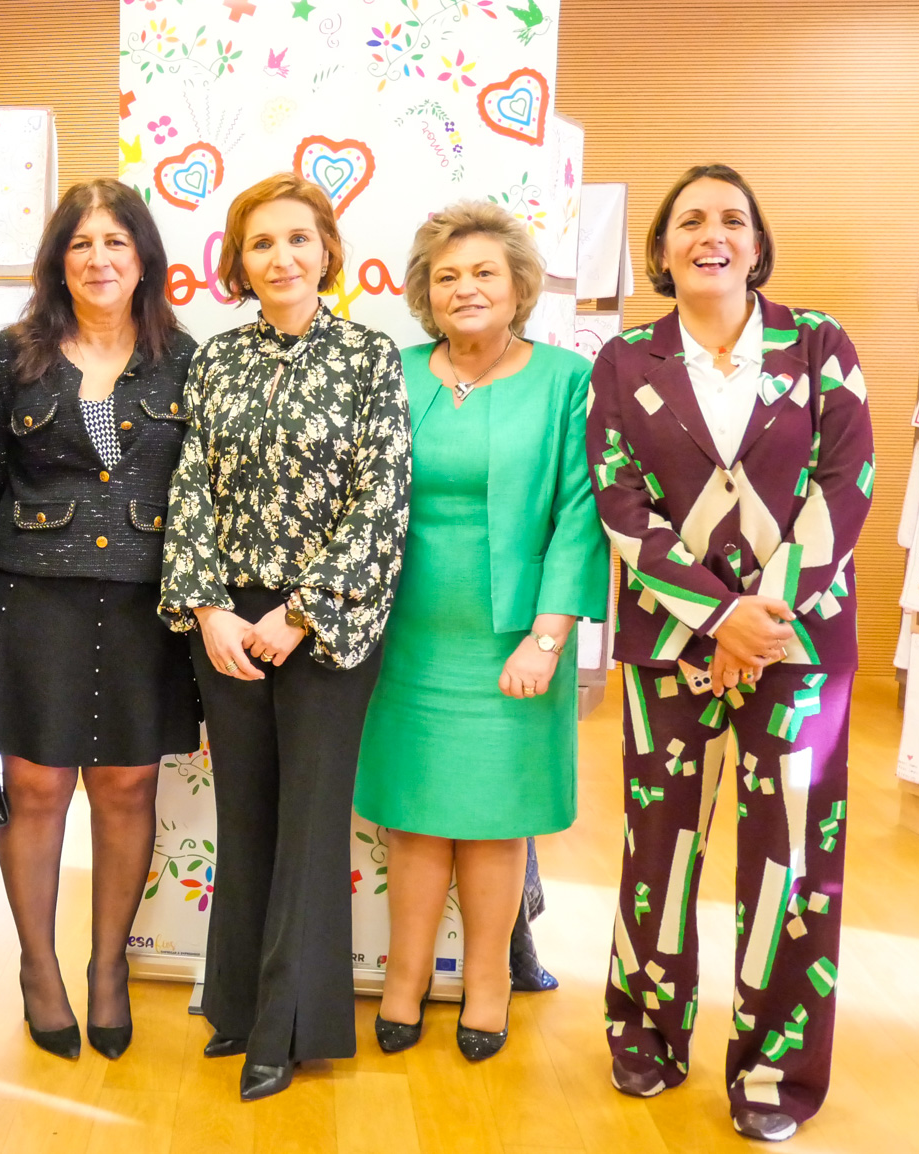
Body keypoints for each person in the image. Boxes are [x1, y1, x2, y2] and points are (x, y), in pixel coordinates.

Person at [586, 164, 872, 1144]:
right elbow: (619, 500)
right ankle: (646, 1030)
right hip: (669, 644)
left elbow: (846, 482)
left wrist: (763, 619)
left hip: (799, 645)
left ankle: (773, 1069)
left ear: (756, 245)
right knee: (657, 842)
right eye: (691, 220)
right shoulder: (624, 359)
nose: (712, 234)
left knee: (792, 860)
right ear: (662, 249)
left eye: (732, 220)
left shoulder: (819, 343)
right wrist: (717, 618)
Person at [159, 173, 410, 1102]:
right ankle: (234, 1005)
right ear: (239, 260)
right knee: (246, 814)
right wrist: (208, 609)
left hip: (326, 626)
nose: (282, 257)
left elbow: (383, 494)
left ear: (327, 250)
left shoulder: (370, 356)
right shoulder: (216, 360)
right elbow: (189, 485)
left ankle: (287, 1027)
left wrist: (301, 613)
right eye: (261, 243)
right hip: (226, 622)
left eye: (299, 239)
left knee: (309, 820)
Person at [354, 201, 607, 1063]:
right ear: (425, 292)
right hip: (406, 637)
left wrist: (548, 636)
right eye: (447, 276)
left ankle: (489, 980)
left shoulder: (567, 379)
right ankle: (404, 979)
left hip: (514, 644)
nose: (465, 288)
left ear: (519, 285)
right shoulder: (393, 372)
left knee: (495, 821)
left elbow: (580, 513)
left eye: (484, 272)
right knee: (416, 819)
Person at [0, 178, 201, 1062]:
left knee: (128, 787)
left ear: (144, 258)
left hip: (144, 602)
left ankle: (108, 969)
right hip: (31, 598)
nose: (99, 259)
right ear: (58, 260)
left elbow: (203, 493)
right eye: (81, 243)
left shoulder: (185, 358)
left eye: (116, 242)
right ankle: (38, 969)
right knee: (35, 787)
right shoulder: (8, 356)